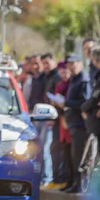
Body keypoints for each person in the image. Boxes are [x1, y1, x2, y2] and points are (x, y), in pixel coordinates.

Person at [63, 53, 92, 193]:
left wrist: (66, 103)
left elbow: (84, 103)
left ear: (80, 63)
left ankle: (80, 185)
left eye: (74, 63)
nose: (71, 66)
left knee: (79, 156)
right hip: (73, 123)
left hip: (80, 125)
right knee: (73, 156)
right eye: (69, 64)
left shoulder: (83, 80)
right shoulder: (74, 79)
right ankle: (74, 183)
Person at [51, 61, 73, 191]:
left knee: (72, 153)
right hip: (62, 123)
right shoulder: (60, 85)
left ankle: (70, 180)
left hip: (72, 122)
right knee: (64, 151)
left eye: (65, 71)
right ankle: (67, 181)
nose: (63, 74)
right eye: (61, 72)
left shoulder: (73, 84)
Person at [40, 53, 60, 188]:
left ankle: (48, 178)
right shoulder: (47, 77)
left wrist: (53, 116)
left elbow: (57, 97)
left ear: (54, 61)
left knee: (47, 148)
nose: (45, 66)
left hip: (52, 119)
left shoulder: (57, 77)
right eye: (43, 63)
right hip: (46, 117)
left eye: (47, 63)